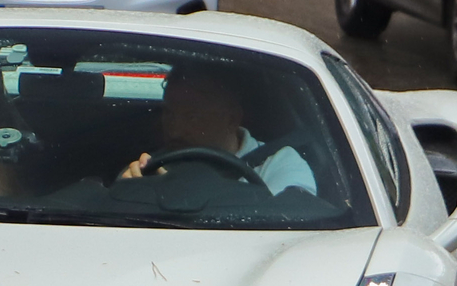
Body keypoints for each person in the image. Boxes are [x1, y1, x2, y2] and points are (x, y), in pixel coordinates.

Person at [117, 66, 317, 195]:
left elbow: (290, 224)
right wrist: (130, 187)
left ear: (231, 118)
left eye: (192, 117)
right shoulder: (153, 166)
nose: (175, 130)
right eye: (169, 114)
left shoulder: (280, 163)